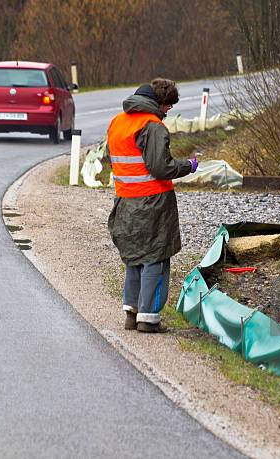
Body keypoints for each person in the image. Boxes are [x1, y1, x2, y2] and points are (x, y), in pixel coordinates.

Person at [107, 78, 198, 333]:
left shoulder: (117, 122)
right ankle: (148, 318)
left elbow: (113, 159)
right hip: (153, 202)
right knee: (155, 257)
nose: (169, 110)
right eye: (168, 105)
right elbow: (160, 168)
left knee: (134, 257)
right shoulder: (153, 126)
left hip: (125, 201)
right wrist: (187, 166)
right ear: (159, 102)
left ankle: (131, 312)